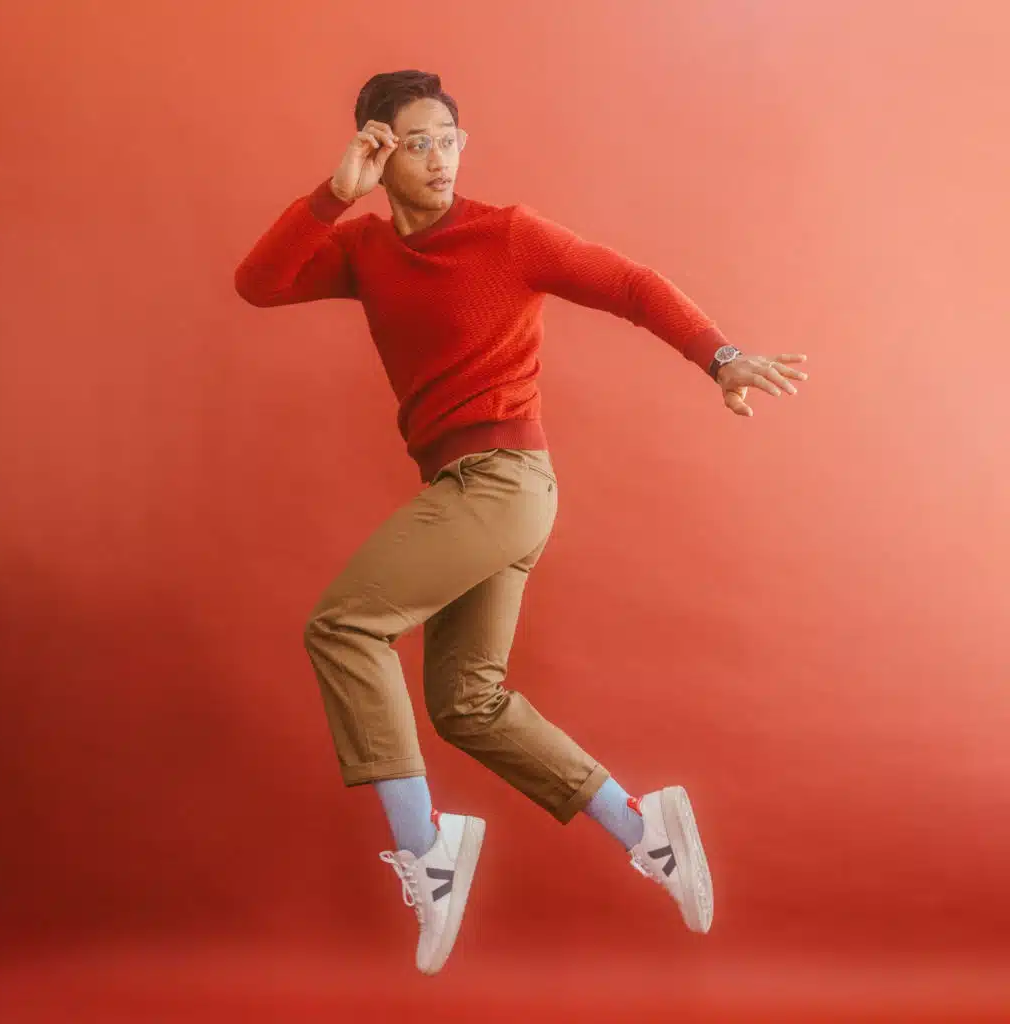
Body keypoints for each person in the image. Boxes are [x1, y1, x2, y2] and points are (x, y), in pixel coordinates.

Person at [235, 69, 808, 976]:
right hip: (467, 489)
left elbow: (630, 284)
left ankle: (425, 846)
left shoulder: (507, 234)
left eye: (449, 139)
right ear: (377, 152)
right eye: (416, 142)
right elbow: (259, 284)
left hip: (501, 483)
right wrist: (332, 196)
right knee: (468, 704)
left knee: (344, 626)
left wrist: (721, 356)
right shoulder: (366, 249)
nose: (440, 158)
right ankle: (646, 829)